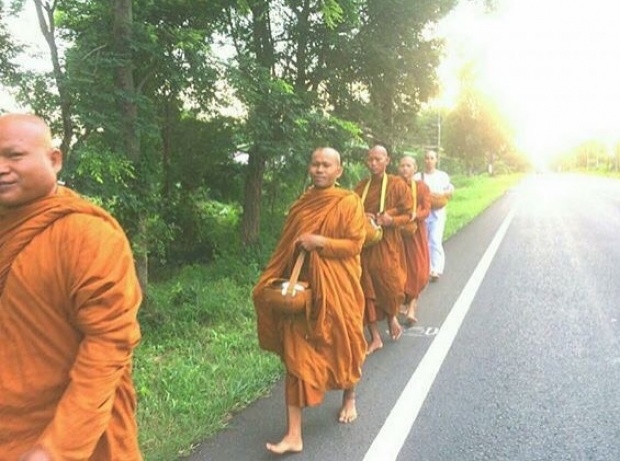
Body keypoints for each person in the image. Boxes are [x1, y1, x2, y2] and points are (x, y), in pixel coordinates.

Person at [0, 113, 143, 460]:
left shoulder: (88, 236)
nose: (1, 168)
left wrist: (55, 449)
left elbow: (108, 346)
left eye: (13, 156)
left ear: (54, 159)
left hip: (74, 437)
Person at [253, 147, 367, 455]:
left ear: (338, 171)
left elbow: (355, 244)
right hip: (304, 291)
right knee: (296, 354)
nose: (319, 169)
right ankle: (293, 434)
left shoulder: (348, 202)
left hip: (339, 288)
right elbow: (286, 247)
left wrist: (321, 242)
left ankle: (349, 397)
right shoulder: (301, 206)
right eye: (315, 164)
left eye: (326, 165)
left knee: (346, 344)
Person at [354, 145, 413, 355]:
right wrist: (365, 217)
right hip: (366, 246)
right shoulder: (361, 188)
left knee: (390, 284)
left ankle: (391, 317)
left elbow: (409, 214)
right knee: (365, 288)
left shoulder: (397, 185)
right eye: (370, 160)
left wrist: (391, 219)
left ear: (387, 161)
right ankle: (375, 337)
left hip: (388, 244)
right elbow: (351, 213)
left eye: (378, 159)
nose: (373, 164)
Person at [398, 155, 431, 325]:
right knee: (400, 269)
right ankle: (406, 303)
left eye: (408, 165)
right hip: (398, 233)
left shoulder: (422, 187)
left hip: (416, 232)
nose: (405, 169)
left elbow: (426, 210)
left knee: (419, 270)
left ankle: (412, 305)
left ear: (415, 168)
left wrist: (414, 215)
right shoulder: (393, 187)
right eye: (402, 165)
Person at [415, 149, 454, 282]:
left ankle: (436, 269)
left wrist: (443, 196)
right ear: (423, 160)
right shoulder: (418, 177)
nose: (429, 161)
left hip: (438, 214)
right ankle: (426, 268)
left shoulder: (442, 176)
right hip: (423, 214)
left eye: (432, 158)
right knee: (423, 242)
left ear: (436, 160)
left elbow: (450, 190)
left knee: (435, 240)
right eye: (427, 158)